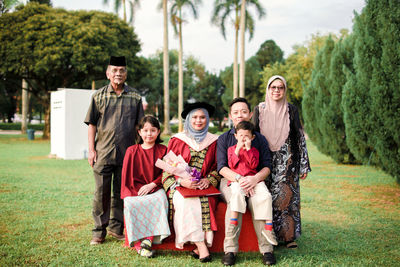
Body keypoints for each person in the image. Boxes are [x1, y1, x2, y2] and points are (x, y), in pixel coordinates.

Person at [84, 56, 144, 245]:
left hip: (127, 154)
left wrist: (140, 150)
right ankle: (98, 232)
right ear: (108, 73)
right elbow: (92, 124)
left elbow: (139, 126)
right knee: (101, 193)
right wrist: (91, 150)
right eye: (114, 70)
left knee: (120, 192)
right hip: (102, 153)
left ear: (126, 74)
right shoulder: (98, 96)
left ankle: (116, 228)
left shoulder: (135, 96)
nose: (118, 74)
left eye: (122, 70)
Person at [252, 75, 311, 249]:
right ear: (268, 90)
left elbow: (299, 136)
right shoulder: (259, 109)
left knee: (287, 199)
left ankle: (288, 237)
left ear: (284, 90)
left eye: (280, 87)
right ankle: (268, 236)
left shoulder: (291, 109)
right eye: (273, 87)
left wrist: (303, 164)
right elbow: (253, 134)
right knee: (266, 197)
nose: (276, 91)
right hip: (264, 159)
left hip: (288, 160)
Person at [217, 97, 276, 266]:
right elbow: (222, 167)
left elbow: (267, 166)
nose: (240, 115)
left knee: (261, 199)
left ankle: (267, 250)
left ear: (250, 114)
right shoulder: (224, 139)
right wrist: (241, 180)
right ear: (230, 116)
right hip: (231, 180)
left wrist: (255, 179)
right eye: (236, 112)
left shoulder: (259, 139)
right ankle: (230, 250)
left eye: (244, 111)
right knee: (235, 196)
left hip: (254, 180)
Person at [162, 102, 221, 263]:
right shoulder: (177, 140)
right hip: (180, 186)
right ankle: (202, 245)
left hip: (205, 186)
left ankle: (199, 246)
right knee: (185, 202)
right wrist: (181, 181)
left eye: (203, 117)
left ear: (207, 120)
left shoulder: (215, 141)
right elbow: (167, 169)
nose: (198, 120)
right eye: (194, 117)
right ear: (188, 119)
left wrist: (208, 180)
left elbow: (219, 167)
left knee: (204, 200)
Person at [121, 116, 171, 258]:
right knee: (130, 204)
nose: (149, 134)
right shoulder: (131, 151)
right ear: (139, 132)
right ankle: (138, 245)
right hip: (135, 188)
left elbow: (167, 173)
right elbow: (126, 176)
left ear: (158, 132)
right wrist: (128, 194)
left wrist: (153, 184)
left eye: (153, 130)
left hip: (155, 186)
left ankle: (148, 241)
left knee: (160, 200)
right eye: (146, 130)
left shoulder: (163, 150)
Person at [227, 121, 277, 246]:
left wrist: (248, 150)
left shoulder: (254, 150)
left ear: (252, 138)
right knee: (237, 193)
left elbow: (253, 165)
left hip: (254, 179)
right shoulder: (231, 150)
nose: (243, 138)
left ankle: (268, 229)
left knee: (266, 196)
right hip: (237, 180)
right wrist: (238, 150)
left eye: (246, 136)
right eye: (241, 135)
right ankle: (233, 224)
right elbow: (232, 165)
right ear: (235, 136)